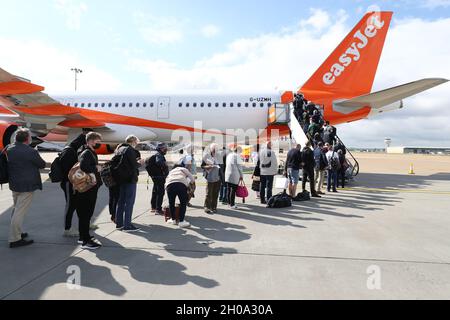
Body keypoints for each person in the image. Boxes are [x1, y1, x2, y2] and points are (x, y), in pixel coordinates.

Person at [7, 128, 46, 248]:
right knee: (19, 212)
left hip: (15, 184)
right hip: (27, 185)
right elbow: (42, 164)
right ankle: (14, 239)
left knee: (16, 209)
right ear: (26, 139)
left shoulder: (10, 149)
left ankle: (17, 232)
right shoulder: (30, 151)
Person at [73, 132, 103, 250]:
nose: (99, 144)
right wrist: (96, 168)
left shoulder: (87, 151)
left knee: (86, 214)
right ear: (91, 141)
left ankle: (83, 236)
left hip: (88, 188)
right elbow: (84, 166)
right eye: (97, 141)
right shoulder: (86, 152)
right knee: (86, 213)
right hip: (87, 189)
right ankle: (85, 240)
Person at [59, 133, 86, 238]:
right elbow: (67, 169)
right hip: (68, 182)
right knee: (70, 205)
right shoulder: (70, 151)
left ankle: (82, 224)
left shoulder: (71, 150)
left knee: (76, 204)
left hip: (71, 182)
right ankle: (67, 229)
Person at [115, 135, 144, 232]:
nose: (137, 144)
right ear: (133, 141)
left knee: (121, 202)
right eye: (136, 142)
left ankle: (119, 223)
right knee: (129, 203)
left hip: (121, 179)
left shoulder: (120, 149)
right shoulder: (130, 150)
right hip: (130, 179)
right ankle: (127, 225)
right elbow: (134, 165)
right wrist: (140, 162)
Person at [146, 143, 169, 215]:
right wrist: (165, 165)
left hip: (155, 176)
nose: (166, 150)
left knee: (155, 191)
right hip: (159, 177)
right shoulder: (159, 155)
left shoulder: (156, 154)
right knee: (160, 193)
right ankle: (158, 209)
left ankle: (153, 207)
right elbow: (159, 162)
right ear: (160, 149)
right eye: (164, 148)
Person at [202, 144, 221, 214]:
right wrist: (209, 166)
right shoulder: (206, 156)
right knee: (208, 193)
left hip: (217, 177)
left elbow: (222, 166)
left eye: (216, 150)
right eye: (213, 150)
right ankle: (207, 207)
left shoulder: (219, 156)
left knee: (215, 194)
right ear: (210, 149)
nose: (215, 151)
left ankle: (214, 207)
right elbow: (202, 166)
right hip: (210, 177)